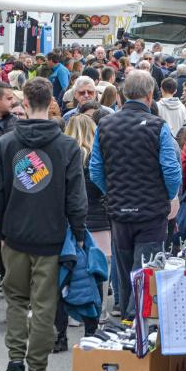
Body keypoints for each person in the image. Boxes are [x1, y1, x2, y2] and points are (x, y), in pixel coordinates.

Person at [0, 77, 87, 371]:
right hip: (51, 237)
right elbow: (76, 197)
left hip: (14, 236)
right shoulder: (67, 146)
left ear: (25, 103)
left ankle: (13, 365)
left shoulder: (5, 144)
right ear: (51, 103)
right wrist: (78, 232)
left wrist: (2, 229)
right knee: (45, 307)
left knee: (16, 301)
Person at [90, 71, 180, 320]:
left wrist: (112, 191)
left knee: (124, 267)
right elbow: (171, 170)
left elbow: (95, 169)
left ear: (123, 95)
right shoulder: (158, 126)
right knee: (146, 268)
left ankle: (128, 317)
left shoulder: (104, 125)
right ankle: (137, 319)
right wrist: (167, 196)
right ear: (150, 96)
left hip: (119, 210)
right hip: (151, 211)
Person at [53, 114, 107, 352]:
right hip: (98, 222)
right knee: (94, 275)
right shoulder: (97, 156)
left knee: (63, 278)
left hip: (66, 225)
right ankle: (93, 327)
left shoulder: (61, 154)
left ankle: (61, 334)